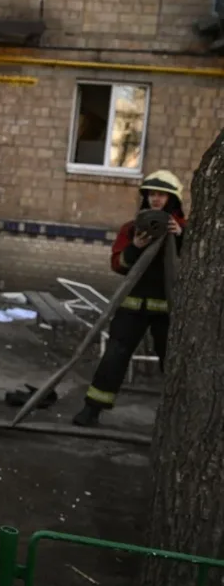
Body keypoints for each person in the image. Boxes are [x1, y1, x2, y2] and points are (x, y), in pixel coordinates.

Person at [72, 170, 186, 427]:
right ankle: (93, 409)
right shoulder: (132, 228)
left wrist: (181, 236)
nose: (156, 200)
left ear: (172, 199)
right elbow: (118, 264)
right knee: (114, 356)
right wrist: (135, 245)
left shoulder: (185, 230)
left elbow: (194, 266)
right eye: (151, 194)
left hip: (168, 310)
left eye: (162, 195)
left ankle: (179, 420)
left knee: (173, 361)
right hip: (131, 307)